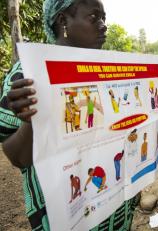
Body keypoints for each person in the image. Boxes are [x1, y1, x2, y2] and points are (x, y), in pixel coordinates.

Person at [0, 0, 137, 230]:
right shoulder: (28, 74)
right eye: (94, 17)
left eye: (105, 18)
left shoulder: (109, 69)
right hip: (67, 213)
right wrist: (33, 120)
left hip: (113, 205)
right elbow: (17, 157)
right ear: (63, 20)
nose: (104, 26)